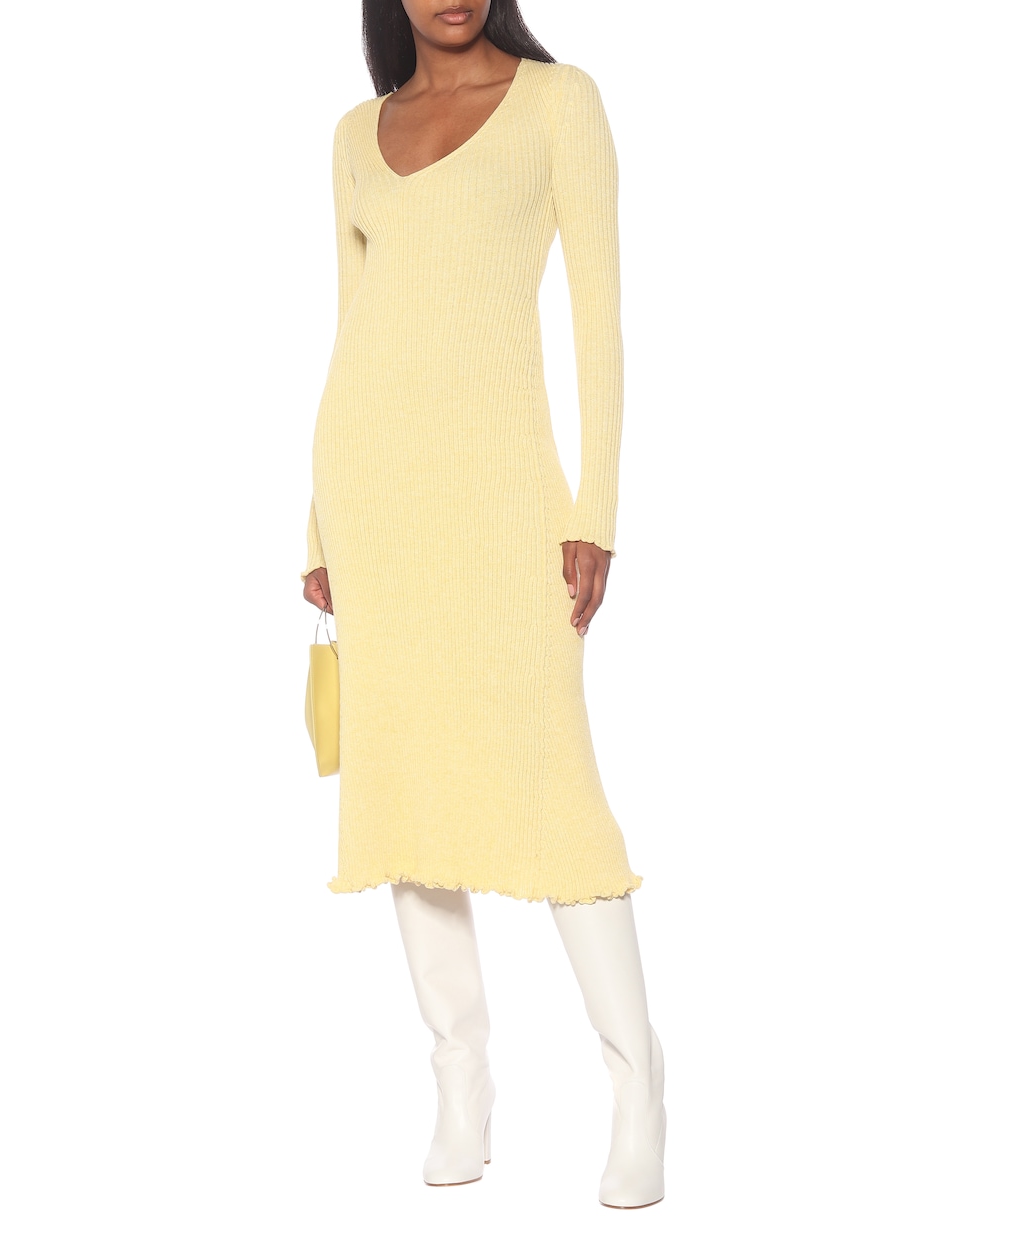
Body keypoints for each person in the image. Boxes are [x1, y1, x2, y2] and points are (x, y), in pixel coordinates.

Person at [300, 0, 664, 1208]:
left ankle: (636, 1088)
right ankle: (459, 1086)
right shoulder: (354, 134)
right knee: (403, 790)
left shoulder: (560, 104)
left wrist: (592, 511)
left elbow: (599, 317)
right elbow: (349, 331)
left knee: (555, 786)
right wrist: (318, 529)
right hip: (373, 502)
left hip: (507, 500)